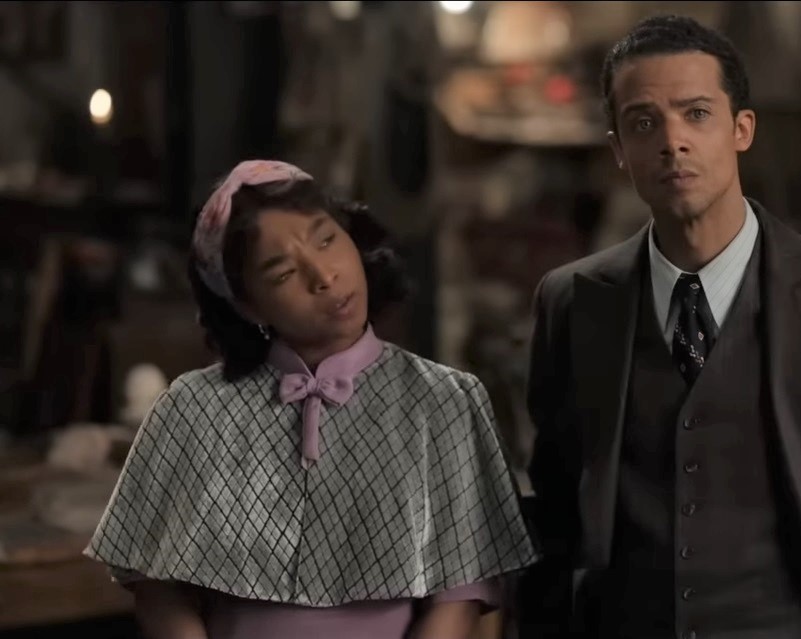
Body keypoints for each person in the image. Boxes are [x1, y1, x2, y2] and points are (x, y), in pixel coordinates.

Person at [519, 15, 801, 639]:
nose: (672, 141)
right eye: (644, 123)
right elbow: (556, 511)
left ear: (742, 129)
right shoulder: (572, 301)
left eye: (696, 114)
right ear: (618, 149)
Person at [85, 160, 539, 639]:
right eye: (283, 273)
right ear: (248, 306)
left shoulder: (444, 401)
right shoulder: (191, 409)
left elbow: (460, 598)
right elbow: (157, 589)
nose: (323, 276)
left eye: (326, 240)